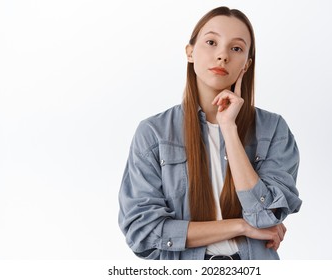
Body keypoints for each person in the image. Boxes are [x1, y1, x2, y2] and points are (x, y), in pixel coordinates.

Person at [118, 6, 302, 260]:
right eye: (211, 42)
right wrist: (240, 226)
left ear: (246, 65)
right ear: (190, 52)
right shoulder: (154, 133)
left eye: (236, 48)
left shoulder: (273, 130)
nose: (222, 55)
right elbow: (142, 232)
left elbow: (267, 215)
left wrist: (229, 128)